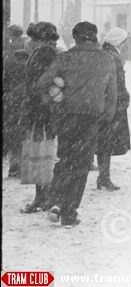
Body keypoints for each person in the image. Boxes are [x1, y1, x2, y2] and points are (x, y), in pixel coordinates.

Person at [36, 21, 116, 226]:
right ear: (95, 36)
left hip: (67, 116)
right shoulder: (107, 60)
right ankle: (70, 211)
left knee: (65, 159)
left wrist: (54, 101)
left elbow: (42, 84)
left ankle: (56, 201)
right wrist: (106, 115)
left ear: (75, 38)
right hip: (91, 119)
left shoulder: (65, 58)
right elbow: (112, 94)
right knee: (81, 164)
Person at [20, 22, 61, 213]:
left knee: (40, 154)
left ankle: (42, 197)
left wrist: (37, 100)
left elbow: (38, 84)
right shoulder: (51, 53)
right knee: (44, 153)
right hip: (45, 111)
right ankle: (45, 196)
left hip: (40, 112)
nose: (30, 42)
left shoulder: (43, 53)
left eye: (33, 38)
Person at [97, 27, 131, 191]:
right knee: (107, 142)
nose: (126, 46)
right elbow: (118, 83)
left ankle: (103, 177)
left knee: (103, 141)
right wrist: (124, 99)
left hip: (102, 102)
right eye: (125, 42)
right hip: (113, 104)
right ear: (120, 42)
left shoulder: (103, 53)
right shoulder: (115, 57)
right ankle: (104, 178)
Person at [3, 26, 31, 177]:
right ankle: (23, 164)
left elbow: (6, 81)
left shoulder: (8, 54)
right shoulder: (27, 52)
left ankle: (15, 165)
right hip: (24, 99)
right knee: (23, 133)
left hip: (11, 100)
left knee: (13, 134)